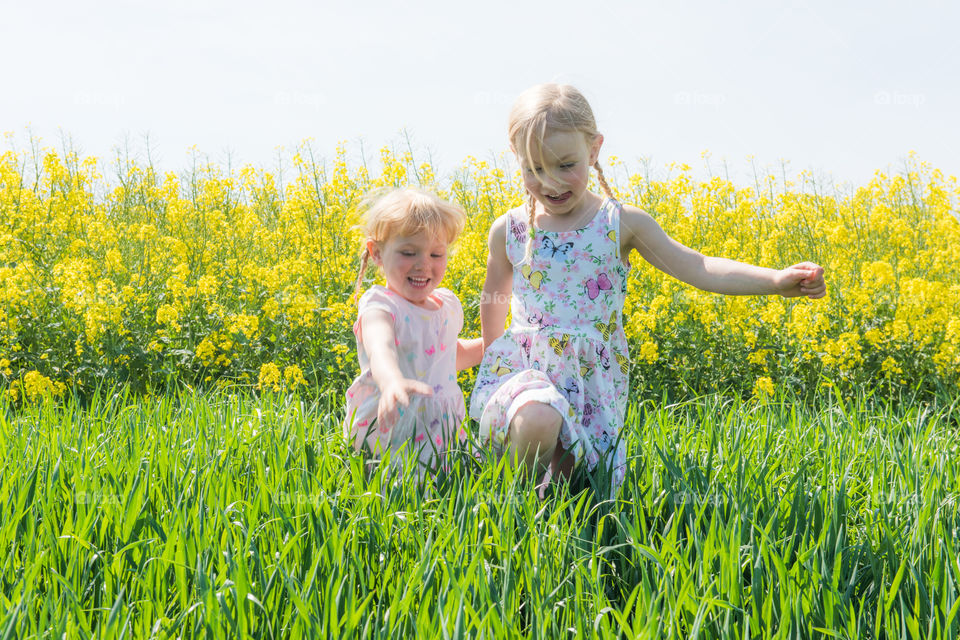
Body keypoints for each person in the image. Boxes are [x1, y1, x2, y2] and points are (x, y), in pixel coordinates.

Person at [470, 83, 827, 496]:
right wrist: (493, 366)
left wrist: (774, 280)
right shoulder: (510, 229)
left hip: (591, 380)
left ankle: (545, 516)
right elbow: (494, 298)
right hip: (525, 371)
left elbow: (698, 266)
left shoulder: (619, 223)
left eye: (565, 164)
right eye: (533, 170)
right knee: (538, 419)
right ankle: (505, 508)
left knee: (576, 489)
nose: (550, 183)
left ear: (594, 149)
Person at [345, 187, 484, 477]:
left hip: (440, 429)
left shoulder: (445, 305)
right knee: (396, 494)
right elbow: (380, 347)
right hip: (394, 423)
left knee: (449, 494)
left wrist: (496, 345)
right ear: (377, 253)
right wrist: (392, 382)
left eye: (436, 253)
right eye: (409, 252)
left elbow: (448, 356)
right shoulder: (380, 305)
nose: (423, 264)